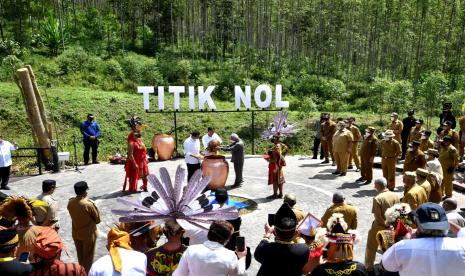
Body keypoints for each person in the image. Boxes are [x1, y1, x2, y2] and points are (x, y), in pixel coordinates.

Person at [382, 203, 465, 276]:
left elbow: (387, 266)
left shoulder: (402, 248)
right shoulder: (462, 246)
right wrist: (446, 222)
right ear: (445, 223)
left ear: (418, 225)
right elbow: (462, 233)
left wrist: (405, 241)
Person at [254, 204, 313, 276]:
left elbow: (257, 255)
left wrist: (267, 235)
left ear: (274, 231)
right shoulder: (303, 249)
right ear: (295, 232)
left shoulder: (265, 249)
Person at [173, 220, 247, 276]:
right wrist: (242, 257)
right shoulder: (230, 256)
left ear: (209, 233)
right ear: (227, 239)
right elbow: (238, 274)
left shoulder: (191, 250)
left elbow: (179, 274)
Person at [364, 178, 400, 274]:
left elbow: (378, 216)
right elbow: (398, 211)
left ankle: (369, 267)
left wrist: (385, 225)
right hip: (392, 225)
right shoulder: (395, 195)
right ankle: (386, 266)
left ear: (378, 185)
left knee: (371, 247)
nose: (374, 186)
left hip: (379, 227)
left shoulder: (378, 198)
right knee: (388, 247)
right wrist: (391, 225)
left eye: (375, 185)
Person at [67, 181, 101, 272]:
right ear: (85, 191)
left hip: (76, 233)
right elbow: (98, 220)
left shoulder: (70, 202)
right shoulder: (88, 204)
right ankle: (85, 273)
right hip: (88, 235)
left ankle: (80, 271)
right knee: (88, 257)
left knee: (80, 256)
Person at [123, 117, 149, 192]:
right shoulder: (131, 143)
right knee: (133, 176)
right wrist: (134, 164)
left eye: (138, 135)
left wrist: (146, 158)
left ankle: (145, 186)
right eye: (136, 135)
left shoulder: (140, 141)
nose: (138, 136)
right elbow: (130, 155)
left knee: (145, 174)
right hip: (135, 161)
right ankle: (132, 188)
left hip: (142, 160)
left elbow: (144, 151)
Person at [438, 136, 459, 200]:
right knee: (441, 181)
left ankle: (448, 195)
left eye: (445, 141)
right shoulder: (443, 147)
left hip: (448, 169)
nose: (443, 142)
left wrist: (453, 167)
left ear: (449, 142)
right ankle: (441, 193)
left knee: (448, 182)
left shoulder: (452, 149)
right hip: (441, 167)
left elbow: (457, 160)